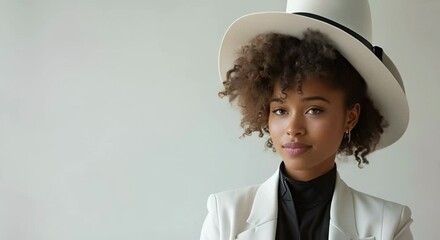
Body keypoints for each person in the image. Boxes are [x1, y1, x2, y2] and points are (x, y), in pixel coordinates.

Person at [201, 0, 413, 239]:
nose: (293, 129)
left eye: (314, 110)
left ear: (350, 117)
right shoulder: (225, 215)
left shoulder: (389, 224)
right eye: (280, 110)